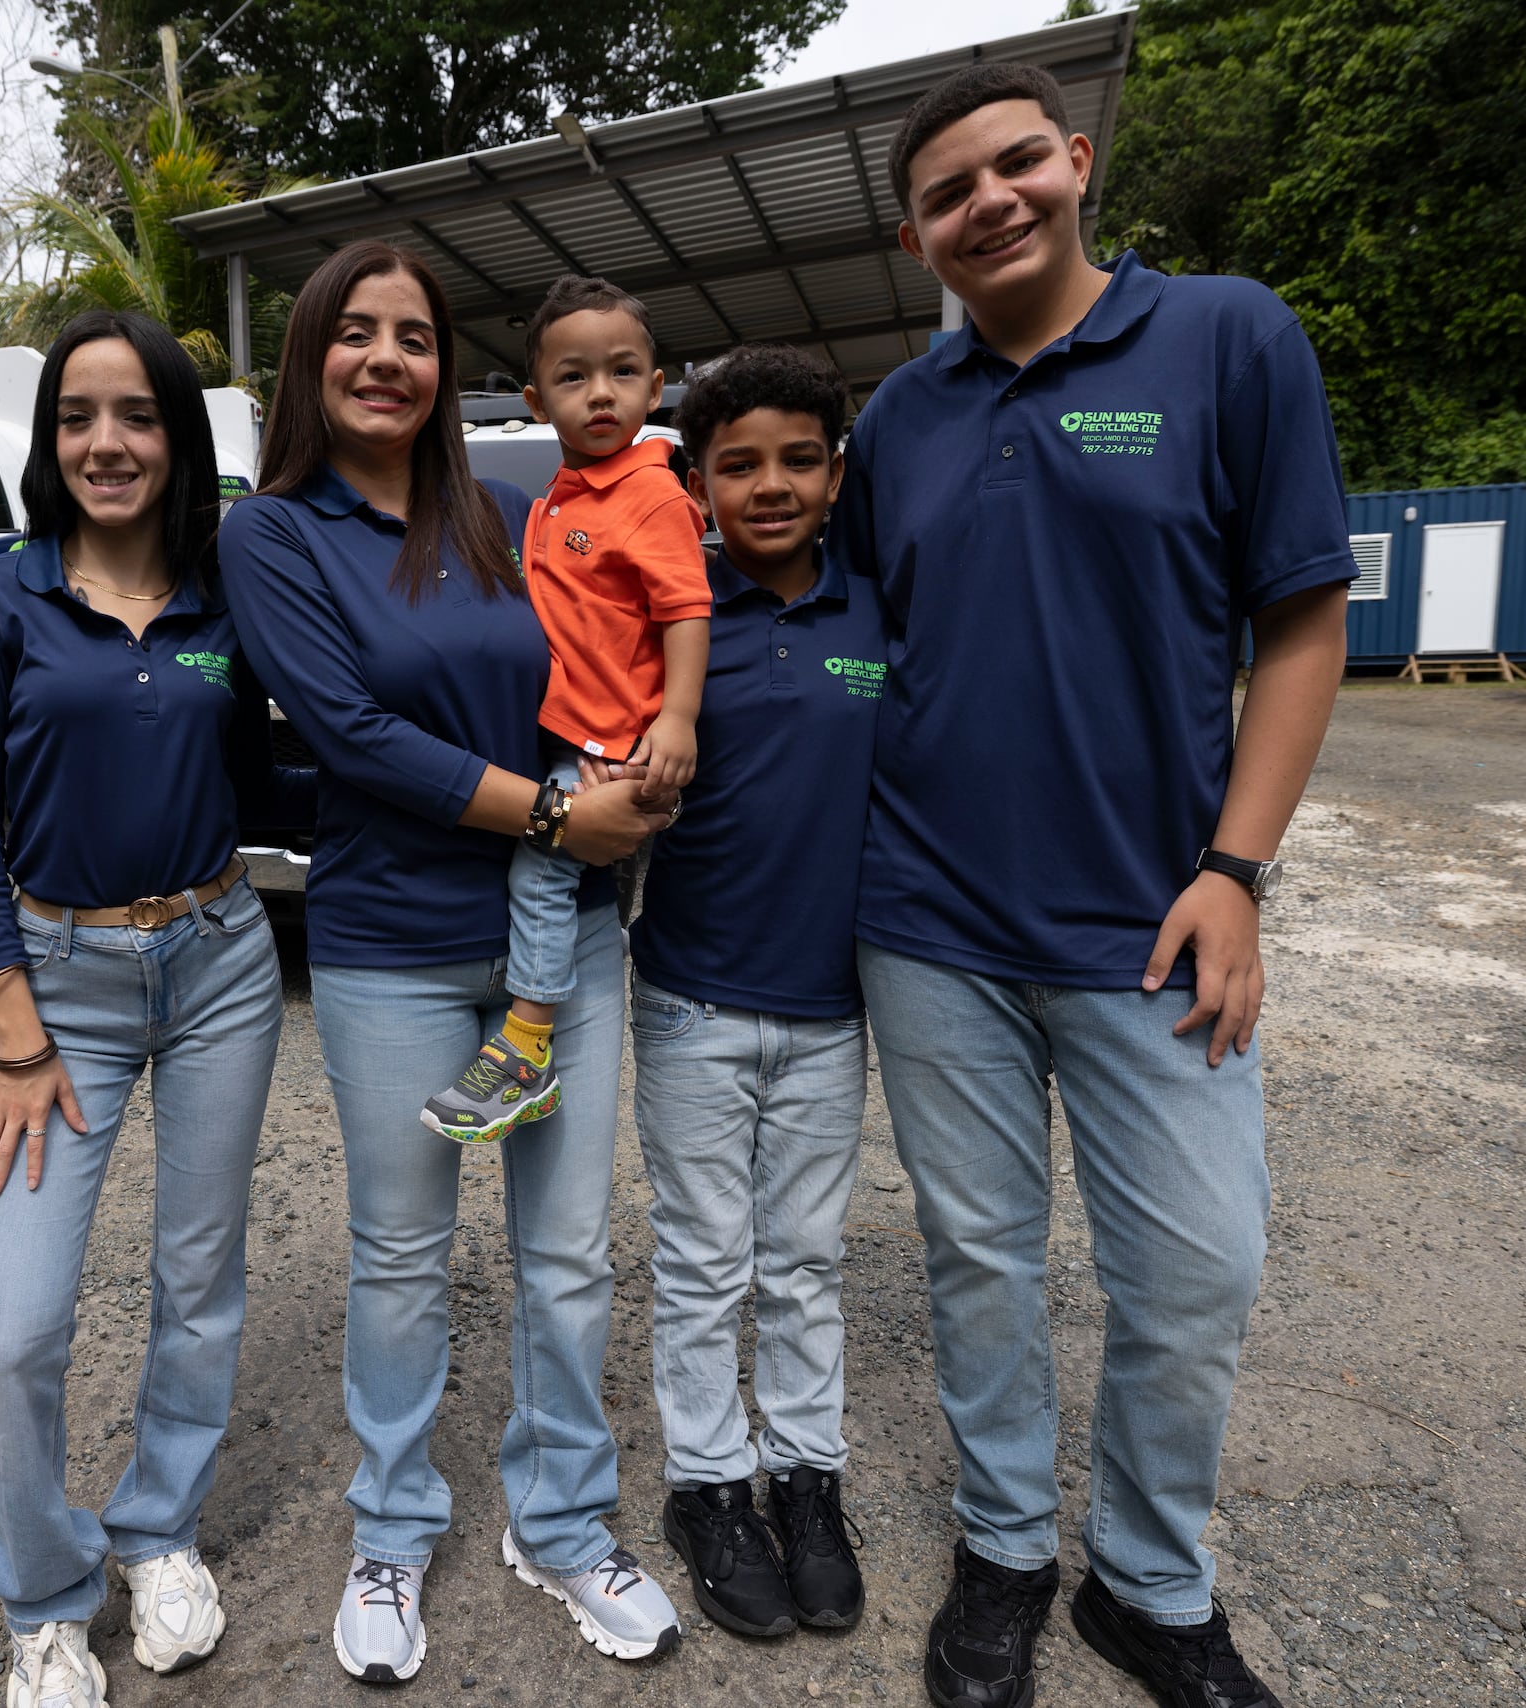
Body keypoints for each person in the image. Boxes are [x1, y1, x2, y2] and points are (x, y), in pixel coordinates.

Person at [832, 63, 1354, 1708]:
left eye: (1013, 167)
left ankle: (1147, 1580)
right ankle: (1004, 1549)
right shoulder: (899, 419)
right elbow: (857, 655)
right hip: (931, 923)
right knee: (979, 1260)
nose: (988, 204)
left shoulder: (1226, 337)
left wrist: (1237, 869)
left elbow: (1301, 620)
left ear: (1074, 162)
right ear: (914, 235)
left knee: (1197, 1265)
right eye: (947, 193)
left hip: (1157, 916)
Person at [219, 241, 685, 1684]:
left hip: (562, 947)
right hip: (393, 950)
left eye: (413, 337)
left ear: (445, 369)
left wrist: (648, 756)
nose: (385, 358)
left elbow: (613, 655)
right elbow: (351, 735)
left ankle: (558, 1522)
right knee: (405, 1259)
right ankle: (392, 1529)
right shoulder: (275, 534)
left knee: (566, 1260)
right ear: (310, 359)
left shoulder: (505, 510)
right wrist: (557, 808)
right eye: (353, 332)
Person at [0, 310, 306, 1708]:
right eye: (79, 417)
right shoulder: (1, 602)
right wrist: (14, 1029)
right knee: (15, 1327)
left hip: (220, 966)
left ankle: (160, 1529)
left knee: (198, 1281)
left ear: (178, 439)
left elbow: (279, 790)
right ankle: (43, 1596)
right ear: (51, 442)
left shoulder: (229, 603)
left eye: (137, 415)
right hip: (63, 991)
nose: (107, 442)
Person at [617, 344, 877, 1644]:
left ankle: (809, 1484)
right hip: (693, 1007)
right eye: (738, 465)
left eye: (797, 459)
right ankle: (711, 1490)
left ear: (836, 474)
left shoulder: (878, 620)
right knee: (706, 1261)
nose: (769, 485)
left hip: (833, 1012)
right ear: (699, 482)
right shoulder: (675, 626)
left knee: (808, 1262)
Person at [418, 274, 710, 1145]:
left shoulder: (652, 495)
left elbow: (686, 610)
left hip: (611, 736)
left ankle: (526, 1042)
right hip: (571, 730)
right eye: (576, 378)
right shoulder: (560, 499)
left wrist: (678, 720)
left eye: (623, 373)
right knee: (550, 872)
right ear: (536, 399)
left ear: (656, 391)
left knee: (540, 873)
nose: (602, 394)